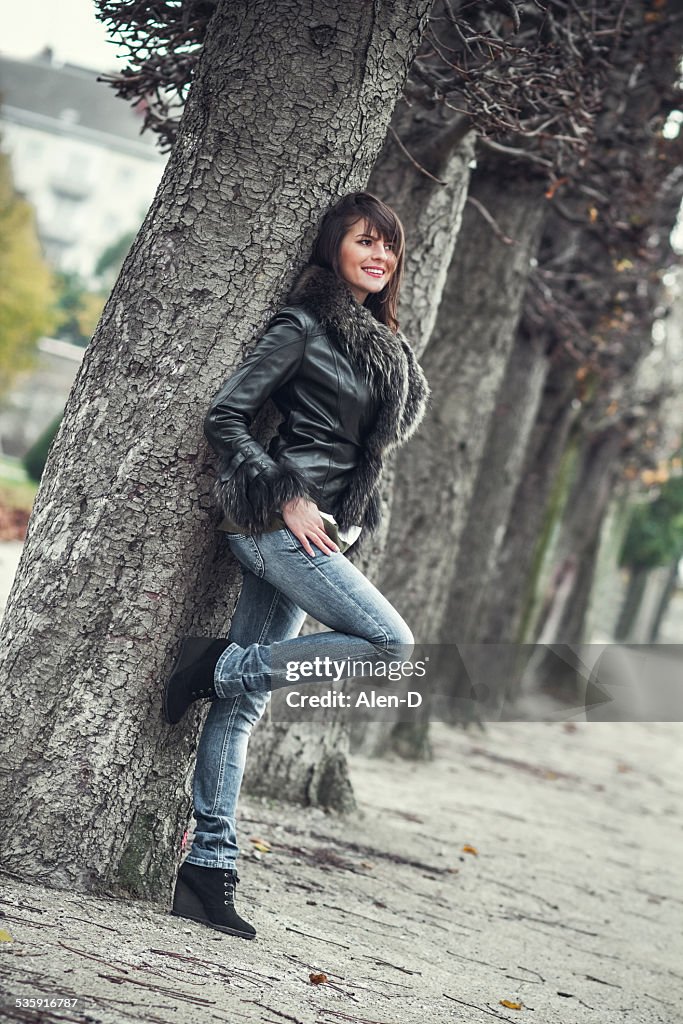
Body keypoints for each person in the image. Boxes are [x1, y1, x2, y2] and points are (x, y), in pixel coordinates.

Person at [163, 191, 430, 940]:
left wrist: (338, 520)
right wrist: (283, 496)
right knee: (391, 645)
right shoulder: (303, 326)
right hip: (273, 527)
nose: (378, 256)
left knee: (242, 709)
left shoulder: (381, 344)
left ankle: (207, 871)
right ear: (332, 249)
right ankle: (214, 667)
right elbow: (226, 416)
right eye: (363, 242)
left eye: (388, 246)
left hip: (321, 538)